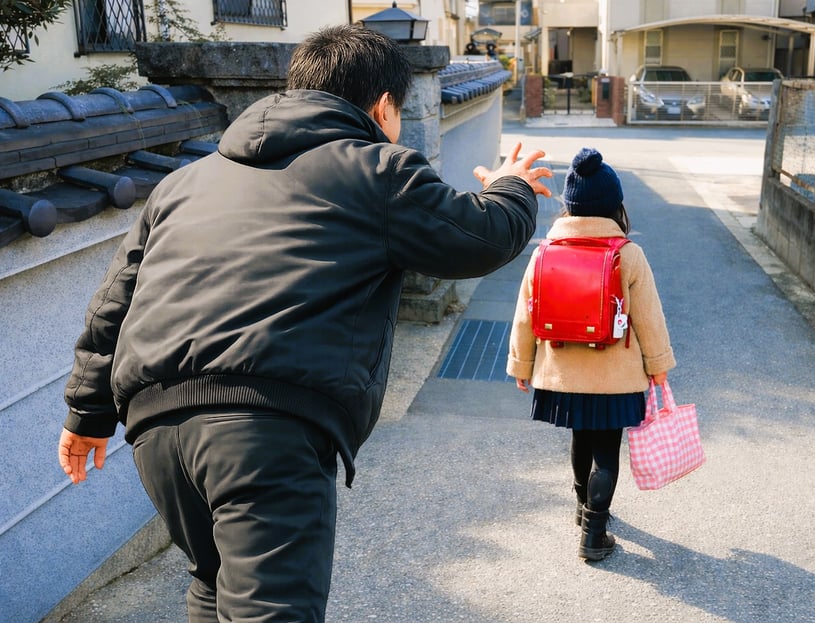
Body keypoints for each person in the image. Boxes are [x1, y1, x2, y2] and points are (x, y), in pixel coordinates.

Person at [57, 24, 552, 623]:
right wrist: (514, 186)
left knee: (213, 586)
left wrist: (86, 414)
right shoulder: (377, 169)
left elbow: (115, 302)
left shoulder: (183, 181)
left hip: (155, 430)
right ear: (384, 105)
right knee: (270, 611)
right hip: (266, 427)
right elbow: (480, 237)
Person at [507, 147, 675, 562]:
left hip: (562, 373)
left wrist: (522, 365)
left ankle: (582, 511)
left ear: (569, 206)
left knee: (580, 440)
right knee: (606, 453)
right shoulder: (628, 254)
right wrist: (658, 367)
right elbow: (649, 319)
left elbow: (525, 315)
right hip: (616, 378)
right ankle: (595, 534)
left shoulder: (545, 251)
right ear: (615, 207)